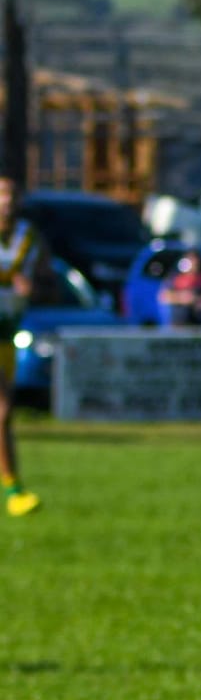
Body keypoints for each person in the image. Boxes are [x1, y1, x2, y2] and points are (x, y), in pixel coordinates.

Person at [0, 175, 49, 516]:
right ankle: (15, 492)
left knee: (4, 416)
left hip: (7, 331)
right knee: (1, 408)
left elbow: (51, 285)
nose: (5, 201)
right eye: (0, 195)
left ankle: (14, 490)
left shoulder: (30, 239)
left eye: (10, 195)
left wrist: (34, 289)